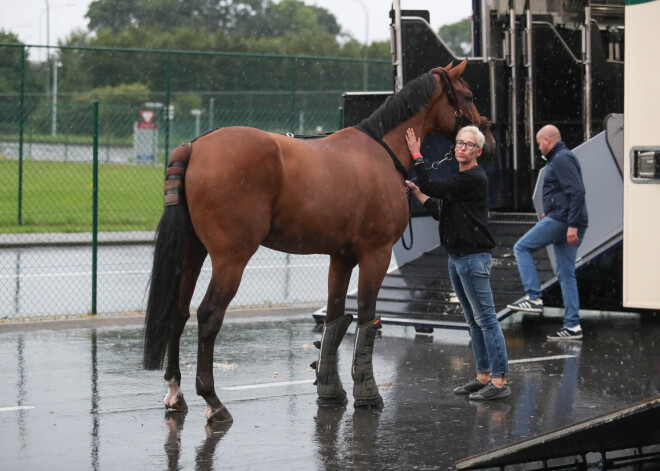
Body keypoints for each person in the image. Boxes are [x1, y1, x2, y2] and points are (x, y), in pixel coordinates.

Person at [405, 125, 510, 401]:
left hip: (473, 259)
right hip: (457, 258)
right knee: (474, 322)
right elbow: (441, 208)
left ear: (477, 151)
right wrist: (417, 194)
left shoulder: (473, 178)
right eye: (459, 143)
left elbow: (433, 186)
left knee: (487, 320)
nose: (461, 148)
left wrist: (417, 155)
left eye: (467, 145)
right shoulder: (462, 181)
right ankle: (483, 376)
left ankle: (499, 381)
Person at [506, 124, 588, 341]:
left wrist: (571, 224)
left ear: (548, 140)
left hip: (562, 221)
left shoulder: (561, 159)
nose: (538, 147)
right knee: (565, 273)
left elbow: (577, 191)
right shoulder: (561, 158)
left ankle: (534, 298)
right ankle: (572, 326)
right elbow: (564, 192)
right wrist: (551, 211)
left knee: (521, 247)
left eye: (539, 142)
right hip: (561, 218)